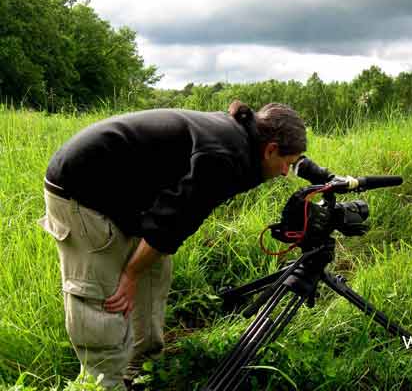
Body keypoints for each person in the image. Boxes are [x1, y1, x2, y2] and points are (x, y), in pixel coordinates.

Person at [37, 101, 307, 390]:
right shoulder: (224, 157)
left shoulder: (245, 137)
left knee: (154, 273)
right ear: (270, 149)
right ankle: (102, 382)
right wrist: (129, 274)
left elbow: (168, 225)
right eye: (287, 164)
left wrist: (138, 269)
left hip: (124, 190)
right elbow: (170, 225)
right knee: (102, 296)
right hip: (81, 190)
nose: (285, 174)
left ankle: (141, 368)